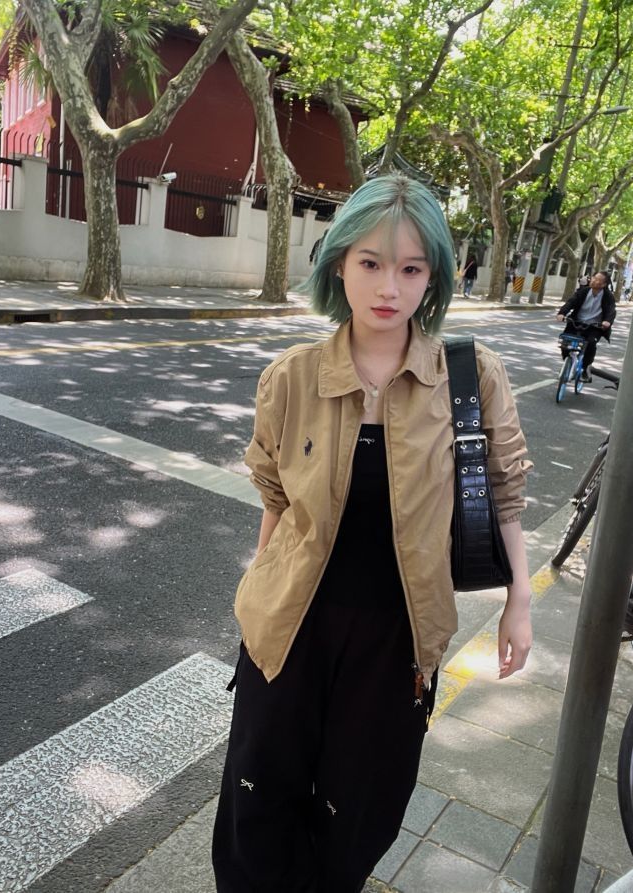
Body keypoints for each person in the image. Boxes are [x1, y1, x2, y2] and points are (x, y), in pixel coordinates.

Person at [212, 175, 533, 893]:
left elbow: (505, 495)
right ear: (339, 265)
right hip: (291, 630)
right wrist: (258, 602)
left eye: (412, 268)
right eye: (371, 263)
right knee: (258, 803)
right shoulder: (292, 377)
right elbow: (274, 499)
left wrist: (519, 601)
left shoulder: (470, 378)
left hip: (397, 640)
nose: (390, 287)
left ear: (434, 278)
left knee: (358, 812)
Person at [556, 270, 616, 382]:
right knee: (565, 342)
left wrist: (607, 321)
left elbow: (611, 310)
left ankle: (585, 369)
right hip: (576, 322)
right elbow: (571, 302)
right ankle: (568, 364)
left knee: (591, 344)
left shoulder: (608, 296)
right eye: (594, 278)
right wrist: (562, 313)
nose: (593, 280)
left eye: (598, 280)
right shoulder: (583, 291)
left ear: (603, 284)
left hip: (595, 326)